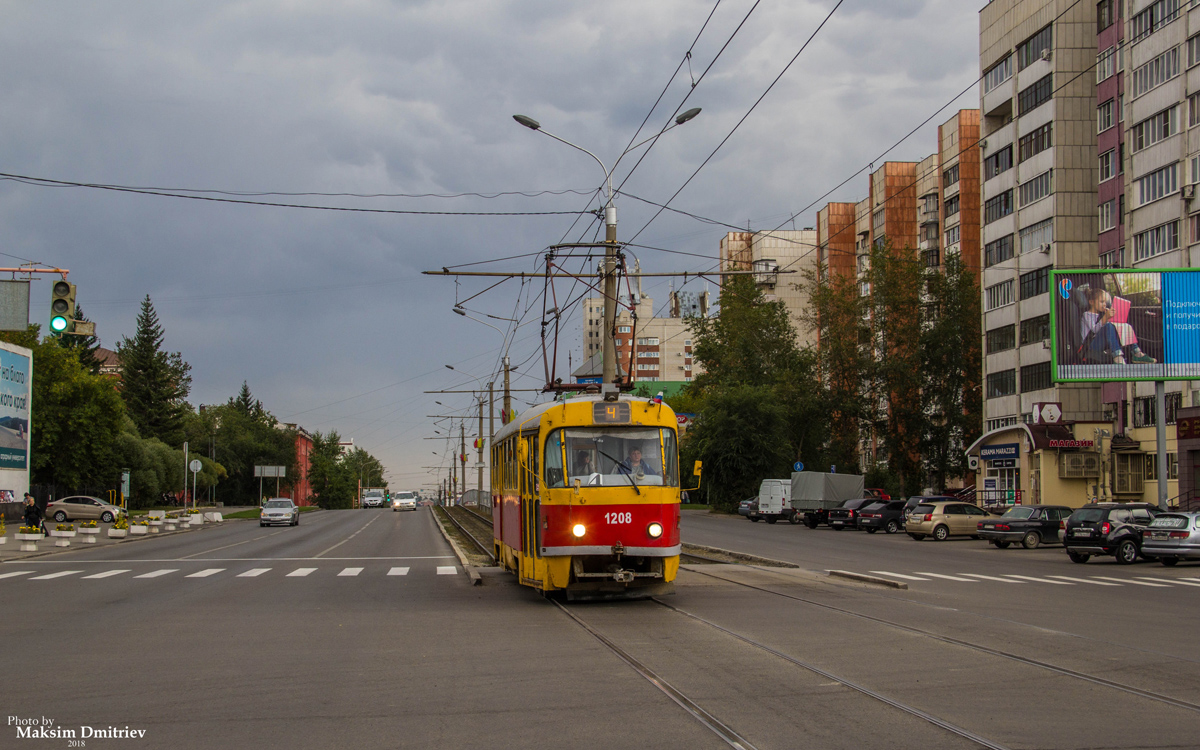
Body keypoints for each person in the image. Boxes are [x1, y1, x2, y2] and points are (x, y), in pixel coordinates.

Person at [1080, 287, 1155, 365]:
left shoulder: (1100, 315)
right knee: (1109, 326)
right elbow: (1094, 330)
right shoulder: (1086, 315)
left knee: (1125, 326)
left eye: (1105, 302)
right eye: (1102, 302)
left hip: (1099, 342)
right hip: (1089, 345)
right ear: (1091, 302)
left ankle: (1137, 353)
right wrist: (1105, 317)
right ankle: (1117, 357)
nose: (1105, 304)